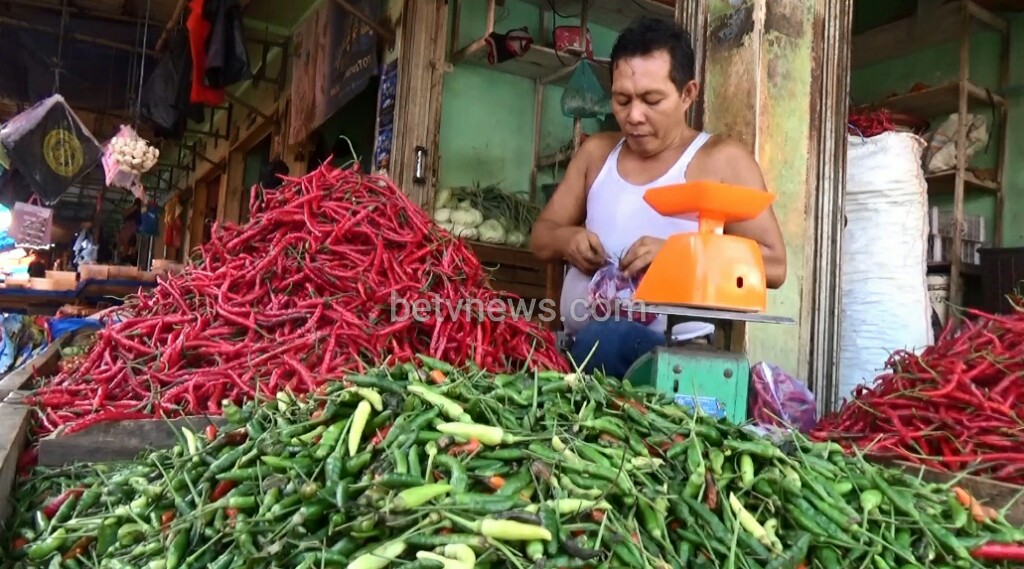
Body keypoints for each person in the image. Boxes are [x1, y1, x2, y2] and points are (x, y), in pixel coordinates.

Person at [530, 17, 787, 379]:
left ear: (687, 94)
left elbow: (775, 266)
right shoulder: (597, 154)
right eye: (622, 100)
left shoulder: (722, 160)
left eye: (652, 100)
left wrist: (677, 255)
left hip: (674, 360)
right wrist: (568, 239)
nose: (634, 116)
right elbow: (541, 238)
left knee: (607, 338)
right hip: (581, 353)